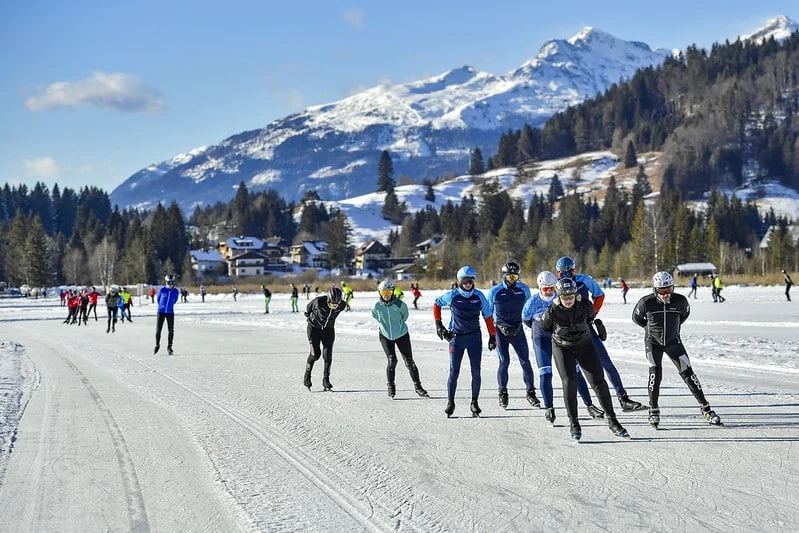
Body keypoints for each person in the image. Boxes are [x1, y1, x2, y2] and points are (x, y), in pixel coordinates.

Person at [541, 278, 629, 440]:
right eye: (564, 297)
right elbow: (545, 327)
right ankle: (574, 423)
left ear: (576, 295)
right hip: (562, 347)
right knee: (570, 381)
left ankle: (613, 420)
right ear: (558, 297)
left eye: (571, 297)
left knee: (598, 381)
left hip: (584, 344)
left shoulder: (586, 306)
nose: (568, 300)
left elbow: (590, 319)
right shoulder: (552, 310)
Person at [632, 271, 723, 427]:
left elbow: (684, 315)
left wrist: (674, 330)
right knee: (655, 374)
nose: (666, 293)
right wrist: (650, 330)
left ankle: (706, 409)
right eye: (662, 290)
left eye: (669, 289)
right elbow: (637, 318)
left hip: (674, 342)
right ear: (655, 289)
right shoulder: (646, 303)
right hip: (653, 343)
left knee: (688, 373)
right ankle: (653, 410)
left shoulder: (680, 301)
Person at [555, 256, 645, 411]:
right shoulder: (555, 285)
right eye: (563, 273)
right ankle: (589, 405)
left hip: (586, 327)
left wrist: (593, 313)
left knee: (605, 362)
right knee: (575, 370)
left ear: (574, 270)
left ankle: (623, 398)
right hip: (566, 333)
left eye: (569, 272)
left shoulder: (584, 280)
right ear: (558, 273)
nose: (567, 275)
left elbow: (600, 295)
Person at [523, 271, 606, 424]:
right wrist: (539, 331)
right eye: (545, 289)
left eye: (551, 289)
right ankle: (549, 407)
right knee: (546, 373)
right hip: (541, 338)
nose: (549, 292)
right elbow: (526, 320)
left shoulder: (559, 297)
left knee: (575, 373)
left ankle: (589, 405)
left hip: (561, 340)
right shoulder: (532, 302)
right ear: (539, 288)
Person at [433, 266, 496, 418]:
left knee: (476, 372)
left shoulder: (479, 296)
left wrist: (492, 336)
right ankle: (450, 402)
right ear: (459, 281)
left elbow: (488, 316)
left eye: (470, 281)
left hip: (475, 338)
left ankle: (474, 402)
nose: (468, 284)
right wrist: (439, 325)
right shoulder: (452, 296)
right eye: (465, 281)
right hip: (456, 339)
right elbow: (436, 304)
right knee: (454, 372)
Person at [486, 261, 539, 409]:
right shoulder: (494, 292)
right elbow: (488, 314)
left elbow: (530, 310)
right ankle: (503, 393)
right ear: (503, 276)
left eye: (514, 277)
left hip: (517, 329)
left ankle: (531, 393)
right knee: (504, 362)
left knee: (525, 362)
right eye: (509, 277)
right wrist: (491, 335)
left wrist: (534, 326)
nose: (512, 280)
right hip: (500, 331)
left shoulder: (524, 290)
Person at [371, 280, 429, 398]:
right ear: (380, 293)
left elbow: (404, 317)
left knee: (409, 362)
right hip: (385, 335)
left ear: (392, 292)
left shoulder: (400, 305)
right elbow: (376, 317)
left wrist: (396, 327)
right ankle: (391, 386)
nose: (386, 295)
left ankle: (418, 387)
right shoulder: (377, 306)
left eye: (388, 292)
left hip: (401, 334)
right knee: (392, 360)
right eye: (383, 292)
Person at [303, 286, 347, 391]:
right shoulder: (319, 301)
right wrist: (309, 317)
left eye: (337, 304)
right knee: (315, 354)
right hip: (314, 329)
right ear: (328, 299)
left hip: (328, 330)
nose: (334, 306)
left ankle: (326, 380)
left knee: (328, 356)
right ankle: (307, 375)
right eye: (332, 303)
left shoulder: (342, 305)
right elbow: (308, 308)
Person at [155, 275, 180, 355]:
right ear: (166, 283)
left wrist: (169, 307)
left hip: (170, 313)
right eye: (169, 283)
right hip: (161, 312)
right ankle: (157, 345)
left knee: (171, 330)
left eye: (172, 283)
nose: (170, 284)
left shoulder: (175, 291)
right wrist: (162, 307)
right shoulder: (162, 290)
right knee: (159, 330)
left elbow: (175, 300)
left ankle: (169, 346)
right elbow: (158, 300)